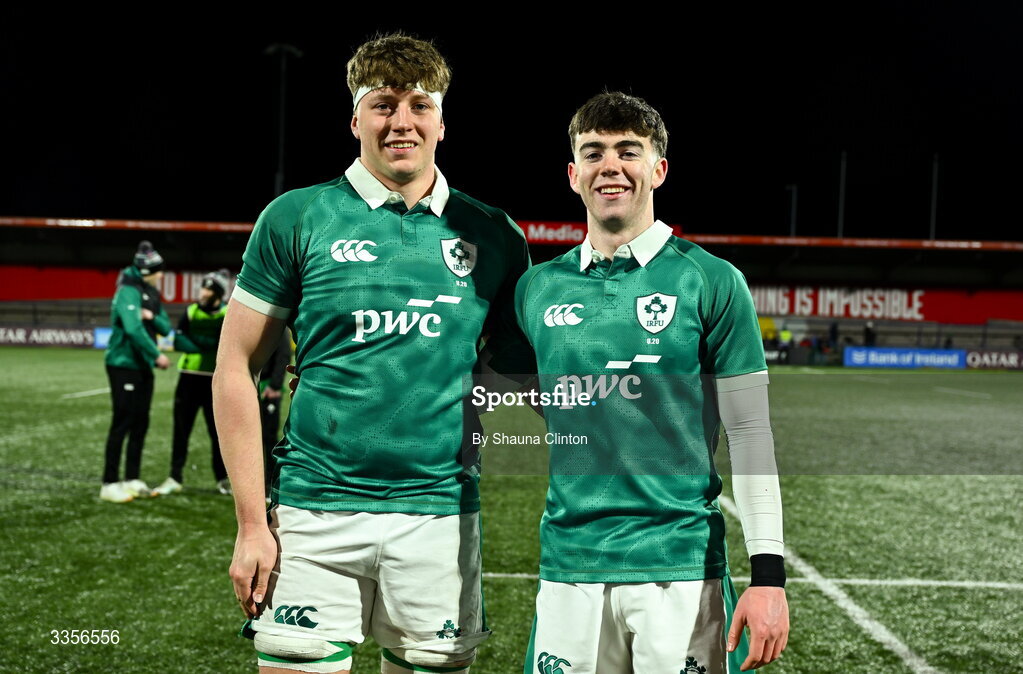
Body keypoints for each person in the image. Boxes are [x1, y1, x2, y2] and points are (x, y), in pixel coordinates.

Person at [212, 33, 530, 674]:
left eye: (419, 105)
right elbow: (234, 367)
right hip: (313, 513)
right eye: (383, 104)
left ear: (442, 120)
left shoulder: (494, 233)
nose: (401, 122)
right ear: (355, 117)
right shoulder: (297, 216)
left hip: (440, 518)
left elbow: (520, 375)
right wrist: (251, 523)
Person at [514, 93, 788, 673]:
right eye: (593, 153)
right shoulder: (537, 289)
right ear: (573, 174)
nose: (610, 166)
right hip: (570, 565)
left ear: (658, 169)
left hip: (679, 568)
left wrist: (768, 577)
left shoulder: (711, 280)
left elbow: (750, 433)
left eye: (628, 151)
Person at [101, 240, 171, 503]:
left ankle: (132, 478)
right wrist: (157, 354)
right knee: (122, 422)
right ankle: (109, 483)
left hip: (142, 367)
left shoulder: (150, 293)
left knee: (140, 423)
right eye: (158, 271)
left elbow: (165, 326)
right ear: (146, 271)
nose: (161, 276)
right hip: (123, 365)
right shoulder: (128, 290)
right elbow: (131, 329)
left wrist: (150, 316)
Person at [154, 269, 231, 496]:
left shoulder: (227, 313)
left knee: (217, 433)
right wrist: (206, 344)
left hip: (212, 379)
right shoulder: (190, 311)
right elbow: (178, 341)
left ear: (216, 293)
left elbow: (223, 344)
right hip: (188, 377)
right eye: (203, 287)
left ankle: (222, 479)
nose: (202, 292)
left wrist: (198, 342)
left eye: (207, 289)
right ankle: (174, 476)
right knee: (181, 431)